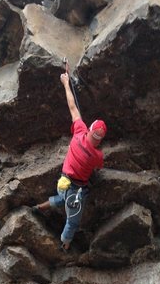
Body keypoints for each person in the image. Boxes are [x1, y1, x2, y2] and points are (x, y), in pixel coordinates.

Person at [35, 72, 107, 251]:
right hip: (75, 190)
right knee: (73, 221)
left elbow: (73, 107)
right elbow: (98, 167)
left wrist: (66, 83)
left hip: (63, 182)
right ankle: (65, 244)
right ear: (101, 139)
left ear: (89, 129)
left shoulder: (79, 132)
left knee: (63, 199)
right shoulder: (97, 156)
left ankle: (40, 207)